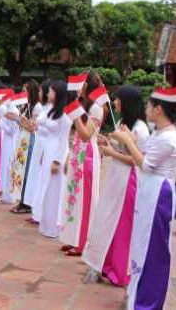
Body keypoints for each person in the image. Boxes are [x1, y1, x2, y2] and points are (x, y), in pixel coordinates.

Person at [109, 87, 176, 310]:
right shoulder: (158, 133)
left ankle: (149, 302)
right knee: (141, 244)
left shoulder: (169, 138)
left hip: (159, 194)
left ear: (158, 109)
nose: (145, 109)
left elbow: (145, 163)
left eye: (149, 105)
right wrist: (129, 137)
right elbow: (144, 152)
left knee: (154, 248)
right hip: (150, 191)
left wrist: (127, 141)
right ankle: (138, 295)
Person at [82, 86, 149, 287]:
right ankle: (104, 263)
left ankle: (119, 270)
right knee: (107, 220)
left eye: (118, 100)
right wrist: (108, 144)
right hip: (115, 178)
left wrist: (112, 154)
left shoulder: (140, 129)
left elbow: (138, 160)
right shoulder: (121, 123)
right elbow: (120, 149)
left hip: (129, 181)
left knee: (121, 225)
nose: (115, 103)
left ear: (127, 102)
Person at [59, 71, 104, 257]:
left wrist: (75, 115)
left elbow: (86, 134)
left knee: (85, 199)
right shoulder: (84, 105)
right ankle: (72, 237)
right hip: (78, 153)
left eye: (82, 84)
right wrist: (68, 157)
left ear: (86, 86)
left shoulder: (97, 108)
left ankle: (83, 242)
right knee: (73, 197)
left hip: (88, 156)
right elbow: (77, 135)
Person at [35, 80, 72, 238]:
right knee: (45, 186)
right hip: (48, 150)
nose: (48, 94)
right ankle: (46, 223)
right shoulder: (52, 112)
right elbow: (47, 133)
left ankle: (54, 226)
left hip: (57, 153)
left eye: (50, 91)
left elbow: (64, 140)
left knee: (54, 189)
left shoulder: (65, 115)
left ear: (58, 94)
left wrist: (58, 160)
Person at [10, 80, 41, 214]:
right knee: (21, 170)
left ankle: (26, 202)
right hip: (23, 140)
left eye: (25, 90)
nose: (23, 93)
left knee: (27, 171)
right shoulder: (26, 105)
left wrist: (19, 120)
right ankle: (22, 200)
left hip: (31, 140)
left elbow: (33, 128)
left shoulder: (37, 107)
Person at [23, 80, 52, 222]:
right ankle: (35, 211)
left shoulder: (44, 109)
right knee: (35, 177)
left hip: (44, 144)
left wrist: (31, 125)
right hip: (39, 143)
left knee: (41, 178)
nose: (40, 93)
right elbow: (36, 127)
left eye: (42, 91)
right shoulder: (44, 108)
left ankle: (40, 212)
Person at [0, 90, 19, 204]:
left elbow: (11, 130)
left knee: (9, 167)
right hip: (6, 140)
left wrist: (0, 123)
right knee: (5, 167)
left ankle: (10, 195)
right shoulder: (8, 109)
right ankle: (5, 194)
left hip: (11, 142)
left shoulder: (13, 110)